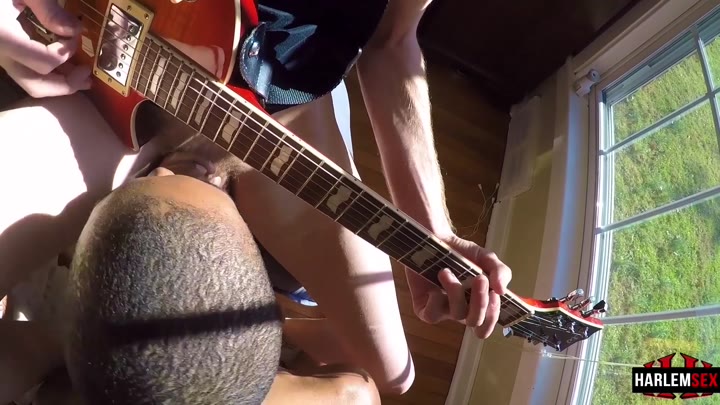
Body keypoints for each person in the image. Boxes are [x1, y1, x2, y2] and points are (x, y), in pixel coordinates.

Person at [0, 0, 513, 395]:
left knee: (393, 374)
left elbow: (392, 40)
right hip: (111, 87)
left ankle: (248, 329)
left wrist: (434, 230)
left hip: (272, 119)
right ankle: (60, 341)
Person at [1, 153, 382, 404]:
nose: (161, 170)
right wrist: (269, 326)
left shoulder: (46, 371)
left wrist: (66, 340)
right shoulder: (342, 395)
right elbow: (358, 389)